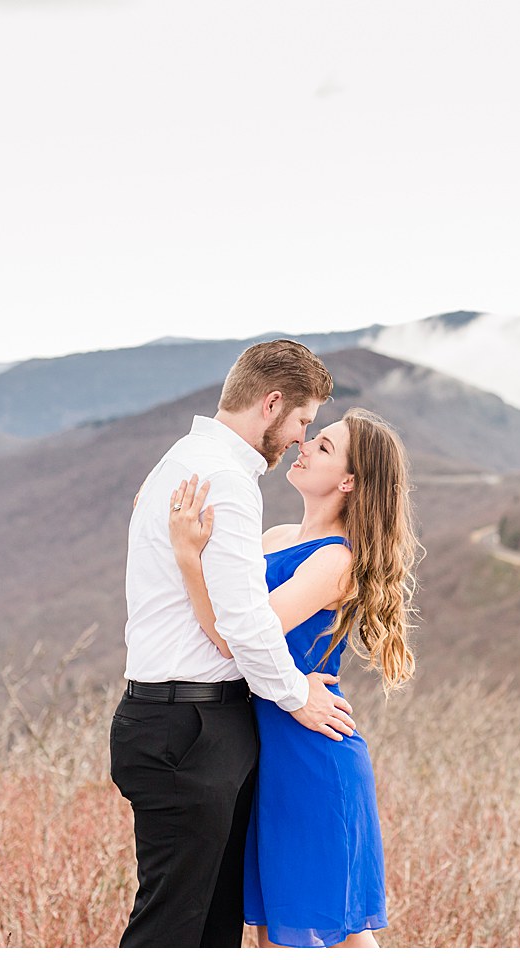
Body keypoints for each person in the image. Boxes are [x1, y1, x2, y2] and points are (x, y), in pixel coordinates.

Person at [110, 340, 356, 948]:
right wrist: (297, 694)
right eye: (302, 422)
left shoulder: (184, 459)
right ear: (272, 404)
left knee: (208, 927)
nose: (301, 438)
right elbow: (245, 624)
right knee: (175, 930)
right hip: (189, 726)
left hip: (184, 721)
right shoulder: (224, 477)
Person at [167, 406, 420, 948]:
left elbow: (241, 637)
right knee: (274, 934)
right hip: (264, 756)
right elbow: (224, 613)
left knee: (314, 937)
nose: (304, 445)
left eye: (323, 446)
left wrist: (189, 559)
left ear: (349, 482)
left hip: (309, 756)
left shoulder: (336, 561)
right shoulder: (276, 536)